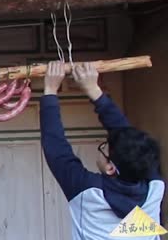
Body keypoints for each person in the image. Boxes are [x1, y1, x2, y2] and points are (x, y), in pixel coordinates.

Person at [40, 61, 164, 239]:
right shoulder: (155, 188)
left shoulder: (88, 193)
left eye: (103, 147)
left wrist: (51, 89)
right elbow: (128, 138)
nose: (102, 146)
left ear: (111, 167)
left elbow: (57, 149)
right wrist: (93, 89)